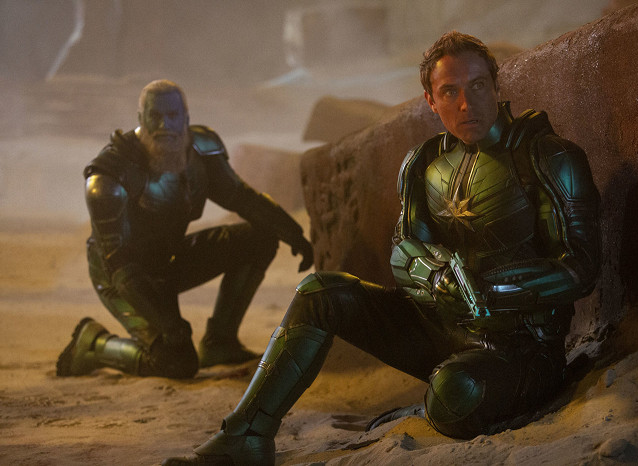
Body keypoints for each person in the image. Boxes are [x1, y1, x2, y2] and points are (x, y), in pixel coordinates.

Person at [162, 31, 600, 465]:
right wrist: (434, 276)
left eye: (478, 86)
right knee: (319, 293)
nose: (467, 104)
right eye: (450, 92)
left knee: (454, 394)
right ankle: (245, 435)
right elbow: (403, 252)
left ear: (496, 86)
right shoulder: (424, 163)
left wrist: (494, 290)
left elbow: (581, 266)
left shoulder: (546, 157)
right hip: (441, 328)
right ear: (431, 101)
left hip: (522, 348)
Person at [56, 79, 314, 379]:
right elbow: (119, 266)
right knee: (176, 363)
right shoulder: (109, 176)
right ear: (140, 118)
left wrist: (290, 231)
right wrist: (169, 324)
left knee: (259, 238)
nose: (164, 125)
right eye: (155, 116)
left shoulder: (201, 151)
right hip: (122, 277)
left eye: (173, 115)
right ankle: (94, 345)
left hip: (168, 258)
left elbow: (240, 197)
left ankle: (220, 342)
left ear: (186, 118)